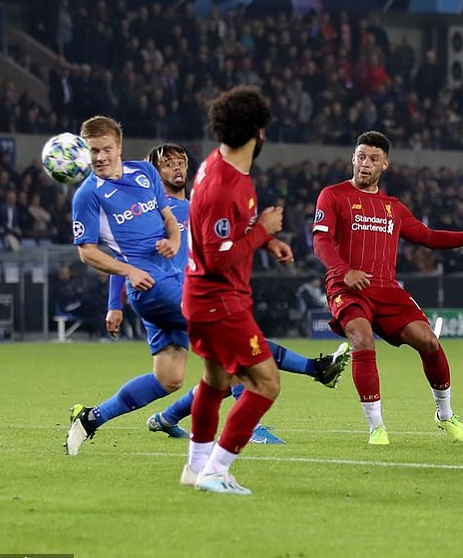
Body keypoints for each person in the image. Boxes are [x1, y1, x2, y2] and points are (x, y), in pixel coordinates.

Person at [104, 143, 350, 446]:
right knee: (237, 346)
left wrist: (269, 243)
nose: (177, 168)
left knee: (171, 378)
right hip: (165, 299)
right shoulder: (148, 213)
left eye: (180, 162)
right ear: (153, 173)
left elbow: (232, 234)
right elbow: (123, 256)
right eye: (168, 164)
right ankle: (277, 404)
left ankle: (125, 417)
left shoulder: (196, 206)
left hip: (186, 298)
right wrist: (114, 304)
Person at [312, 130, 463, 445]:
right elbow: (321, 240)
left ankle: (445, 415)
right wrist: (343, 270)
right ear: (353, 158)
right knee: (363, 338)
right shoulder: (333, 195)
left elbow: (429, 237)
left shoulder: (393, 208)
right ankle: (376, 427)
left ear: (385, 164)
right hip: (347, 286)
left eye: (373, 159)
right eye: (361, 156)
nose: (365, 164)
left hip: (386, 289)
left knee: (429, 341)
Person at [181, 86, 293, 494]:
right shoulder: (224, 185)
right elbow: (216, 258)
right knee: (266, 382)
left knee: (215, 382)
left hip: (202, 300)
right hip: (219, 302)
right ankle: (217, 469)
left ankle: (196, 466)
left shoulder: (219, 165)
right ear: (259, 133)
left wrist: (265, 240)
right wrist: (262, 230)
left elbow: (227, 238)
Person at [64, 116, 186, 456]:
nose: (99, 157)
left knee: (170, 377)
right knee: (226, 332)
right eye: (93, 151)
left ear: (119, 147)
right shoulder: (87, 195)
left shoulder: (144, 173)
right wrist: (128, 272)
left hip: (172, 277)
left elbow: (168, 217)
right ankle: (308, 369)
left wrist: (174, 240)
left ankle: (90, 419)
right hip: (151, 289)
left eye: (105, 149)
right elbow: (87, 253)